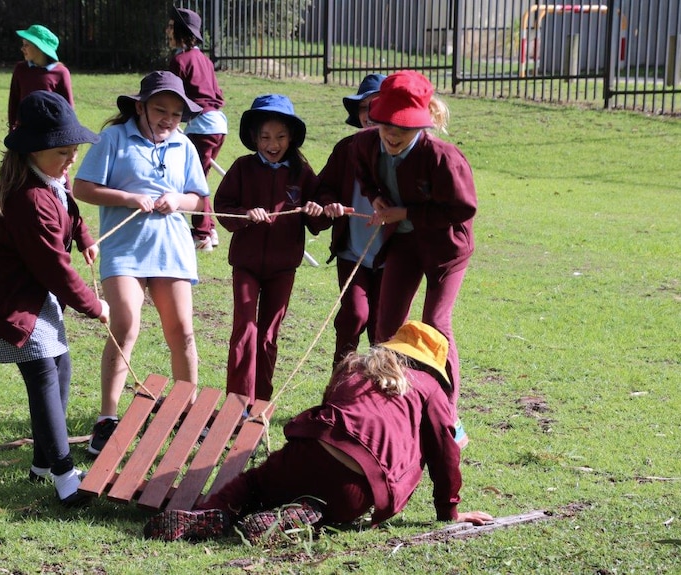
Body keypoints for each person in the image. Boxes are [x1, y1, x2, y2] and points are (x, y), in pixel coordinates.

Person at [143, 321, 493, 543]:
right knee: (332, 505)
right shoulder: (430, 387)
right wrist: (449, 510)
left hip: (312, 451)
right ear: (432, 364)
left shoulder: (357, 365)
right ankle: (304, 516)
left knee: (253, 485)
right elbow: (447, 452)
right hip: (360, 483)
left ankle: (216, 510)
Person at [0, 91, 109, 506]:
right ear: (34, 151)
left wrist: (83, 237)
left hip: (28, 283)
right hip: (2, 291)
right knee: (43, 370)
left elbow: (67, 204)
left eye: (74, 150)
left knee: (60, 365)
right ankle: (65, 478)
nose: (71, 160)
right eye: (64, 152)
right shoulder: (27, 199)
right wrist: (96, 307)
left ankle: (42, 464)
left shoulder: (49, 176)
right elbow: (53, 269)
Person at [72, 71, 209, 456]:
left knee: (182, 332)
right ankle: (107, 419)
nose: (168, 119)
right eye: (160, 110)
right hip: (125, 251)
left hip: (172, 251)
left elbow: (198, 199)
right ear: (139, 107)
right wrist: (129, 198)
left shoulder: (184, 146)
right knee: (125, 325)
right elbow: (82, 188)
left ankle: (186, 414)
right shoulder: (113, 138)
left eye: (176, 113)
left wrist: (175, 200)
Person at [353, 70, 477, 426]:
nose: (393, 135)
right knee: (386, 325)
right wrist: (377, 198)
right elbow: (363, 172)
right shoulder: (365, 145)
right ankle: (384, 403)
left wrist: (404, 212)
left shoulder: (443, 157)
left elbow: (463, 208)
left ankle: (448, 414)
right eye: (387, 125)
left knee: (435, 324)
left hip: (445, 250)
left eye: (404, 128)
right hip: (403, 242)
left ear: (422, 125)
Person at [214, 94, 324, 405]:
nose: (272, 143)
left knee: (267, 336)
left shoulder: (302, 173)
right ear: (254, 138)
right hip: (246, 265)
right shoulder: (242, 167)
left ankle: (259, 402)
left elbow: (318, 218)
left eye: (279, 136)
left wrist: (318, 212)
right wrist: (244, 215)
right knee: (245, 329)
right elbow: (222, 207)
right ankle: (236, 404)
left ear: (291, 138)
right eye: (264, 137)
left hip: (283, 268)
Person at [316, 73, 387, 369]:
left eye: (378, 105)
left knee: (383, 329)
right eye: (363, 108)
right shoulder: (346, 149)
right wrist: (328, 204)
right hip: (352, 252)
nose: (370, 114)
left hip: (391, 258)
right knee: (354, 315)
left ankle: (379, 399)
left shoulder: (399, 149)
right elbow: (322, 188)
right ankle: (338, 386)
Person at [166, 6, 227, 252]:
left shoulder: (179, 61)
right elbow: (217, 95)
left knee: (193, 181)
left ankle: (201, 234)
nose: (167, 31)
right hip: (218, 125)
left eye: (171, 27)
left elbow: (172, 95)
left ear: (180, 31)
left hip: (201, 127)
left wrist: (174, 124)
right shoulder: (205, 60)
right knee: (199, 177)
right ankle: (209, 229)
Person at [7, 24, 74, 131]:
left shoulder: (61, 72)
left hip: (50, 132)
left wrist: (70, 134)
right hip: (24, 131)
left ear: (39, 48)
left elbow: (68, 107)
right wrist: (12, 128)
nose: (22, 48)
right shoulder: (20, 69)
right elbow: (13, 101)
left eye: (26, 45)